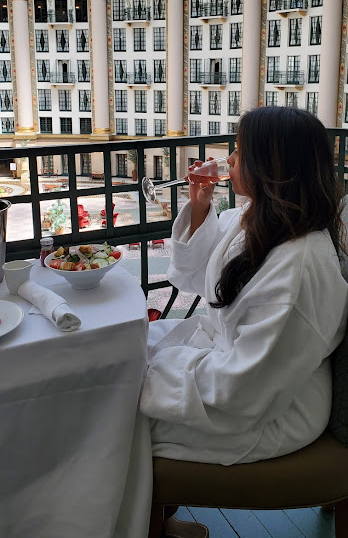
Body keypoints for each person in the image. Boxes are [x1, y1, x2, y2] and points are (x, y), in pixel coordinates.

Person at [116, 107, 348, 538]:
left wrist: (149, 377)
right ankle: (155, 520)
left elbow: (246, 390)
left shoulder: (298, 269)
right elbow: (207, 274)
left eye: (241, 151)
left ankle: (139, 524)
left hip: (271, 410)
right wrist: (199, 205)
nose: (231, 159)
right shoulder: (262, 218)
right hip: (249, 376)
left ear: (271, 167)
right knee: (134, 363)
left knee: (119, 421)